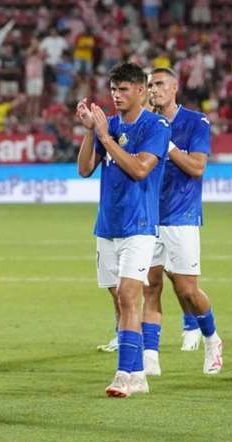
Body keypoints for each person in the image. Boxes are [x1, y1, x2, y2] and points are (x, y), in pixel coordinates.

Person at [76, 62, 169, 397]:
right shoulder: (109, 124)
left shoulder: (155, 125)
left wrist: (104, 137)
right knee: (120, 301)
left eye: (123, 89)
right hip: (108, 226)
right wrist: (90, 131)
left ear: (141, 91)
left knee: (131, 295)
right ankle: (139, 373)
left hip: (140, 226)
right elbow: (85, 168)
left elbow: (141, 169)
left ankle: (123, 375)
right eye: (113, 89)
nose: (116, 96)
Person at [142, 67, 222, 375]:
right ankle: (149, 360)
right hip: (148, 217)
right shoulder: (146, 123)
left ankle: (212, 338)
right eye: (150, 85)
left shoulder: (195, 122)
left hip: (182, 217)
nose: (154, 90)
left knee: (188, 290)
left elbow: (197, 167)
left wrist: (169, 146)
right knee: (151, 287)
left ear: (174, 88)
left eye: (160, 84)